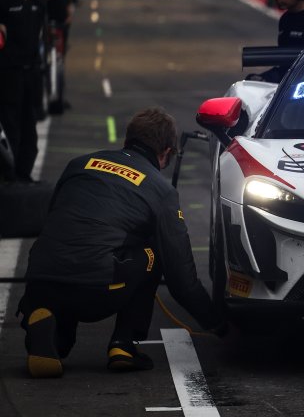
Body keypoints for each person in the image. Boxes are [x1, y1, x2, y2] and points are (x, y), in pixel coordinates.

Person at [17, 107, 228, 378]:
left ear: (127, 140)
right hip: (96, 290)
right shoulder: (160, 189)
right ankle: (124, 344)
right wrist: (218, 324)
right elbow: (181, 280)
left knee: (70, 256)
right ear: (166, 153)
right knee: (154, 252)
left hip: (40, 278)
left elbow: (55, 222)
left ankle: (51, 332)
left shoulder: (78, 165)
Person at [0, 0, 46, 182]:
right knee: (11, 129)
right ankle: (9, 179)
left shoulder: (37, 0)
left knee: (30, 131)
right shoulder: (4, 0)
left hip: (32, 74)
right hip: (10, 75)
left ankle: (24, 176)